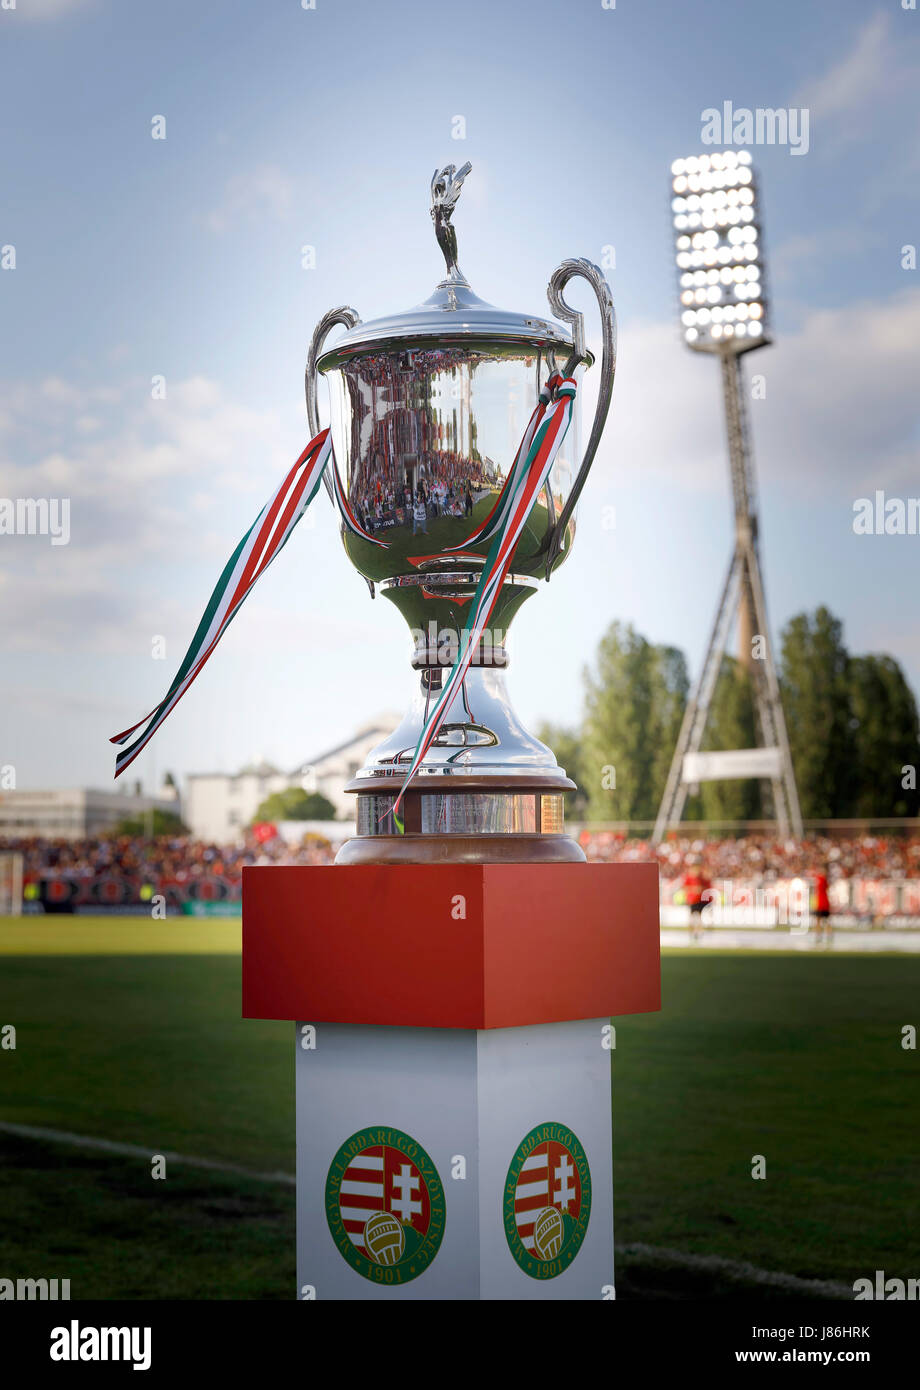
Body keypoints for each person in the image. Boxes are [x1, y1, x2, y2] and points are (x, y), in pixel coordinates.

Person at [682, 857, 711, 942]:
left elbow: (708, 886)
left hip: (700, 900)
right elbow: (685, 887)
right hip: (692, 900)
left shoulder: (703, 877)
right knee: (692, 918)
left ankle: (698, 933)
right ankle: (692, 934)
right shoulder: (689, 877)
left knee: (698, 917)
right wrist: (693, 889)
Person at [811, 867, 832, 948]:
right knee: (826, 921)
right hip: (825, 903)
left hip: (820, 903)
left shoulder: (818, 879)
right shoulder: (824, 879)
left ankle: (818, 937)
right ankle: (828, 936)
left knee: (818, 921)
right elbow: (827, 888)